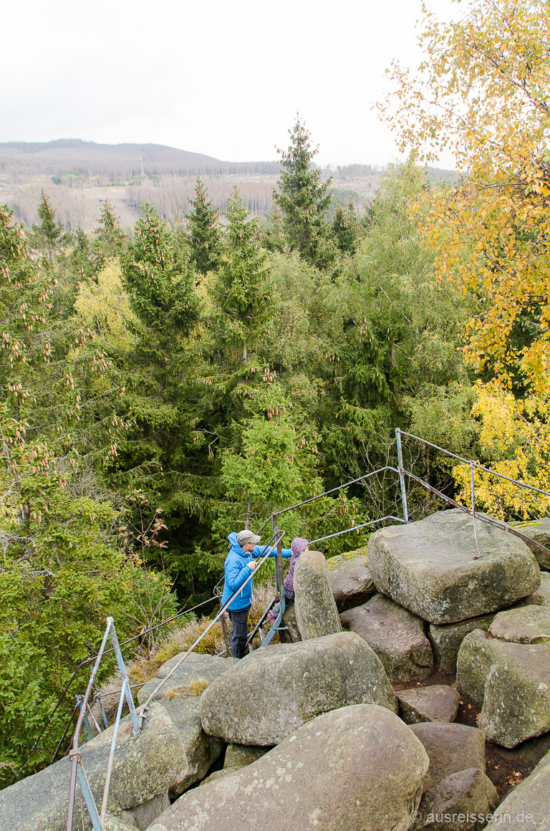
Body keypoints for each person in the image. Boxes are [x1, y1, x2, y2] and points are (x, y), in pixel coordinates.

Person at [221, 529, 292, 659]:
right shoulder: (233, 560)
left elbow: (268, 550)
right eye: (253, 542)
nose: (255, 544)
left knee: (239, 631)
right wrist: (247, 569)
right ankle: (237, 661)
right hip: (236, 604)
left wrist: (290, 553)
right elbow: (233, 585)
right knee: (239, 635)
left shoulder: (247, 552)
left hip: (242, 601)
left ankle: (238, 655)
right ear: (246, 544)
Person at [268, 537, 309, 621]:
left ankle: (279, 598)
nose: (307, 549)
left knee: (285, 599)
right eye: (305, 548)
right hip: (290, 588)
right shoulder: (298, 562)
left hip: (289, 585)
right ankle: (273, 614)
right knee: (285, 602)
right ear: (300, 551)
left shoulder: (295, 557)